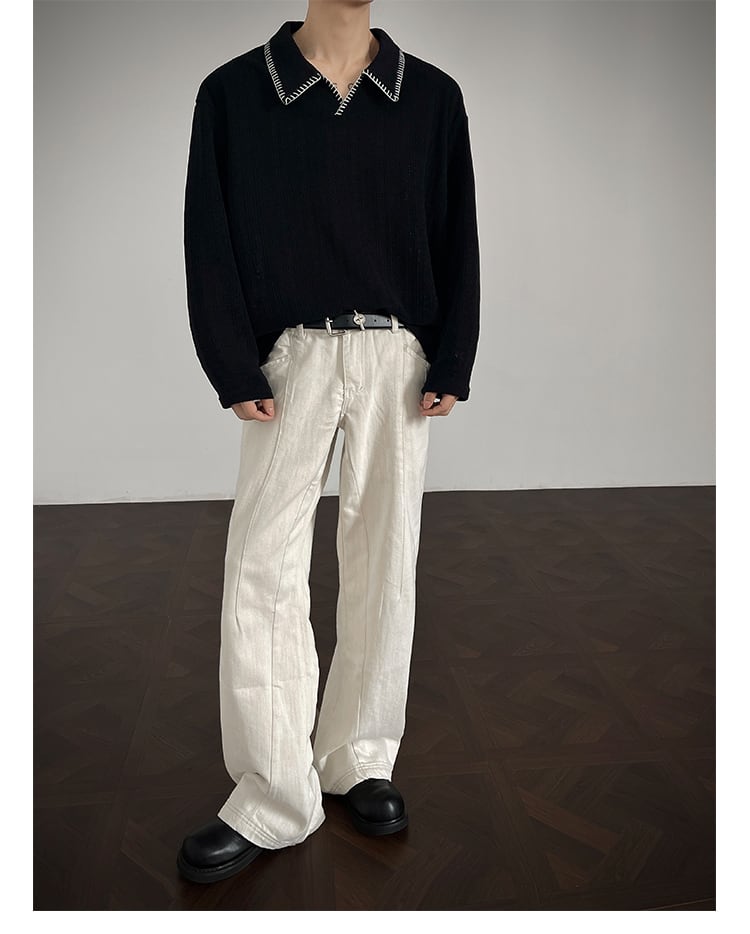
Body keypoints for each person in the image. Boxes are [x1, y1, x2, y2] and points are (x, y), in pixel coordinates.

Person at [177, 0, 480, 884]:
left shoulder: (432, 97)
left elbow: (456, 229)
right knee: (262, 567)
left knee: (386, 559)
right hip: (291, 358)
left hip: (398, 357)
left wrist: (453, 353)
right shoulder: (234, 93)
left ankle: (358, 756)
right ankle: (275, 792)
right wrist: (231, 360)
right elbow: (207, 233)